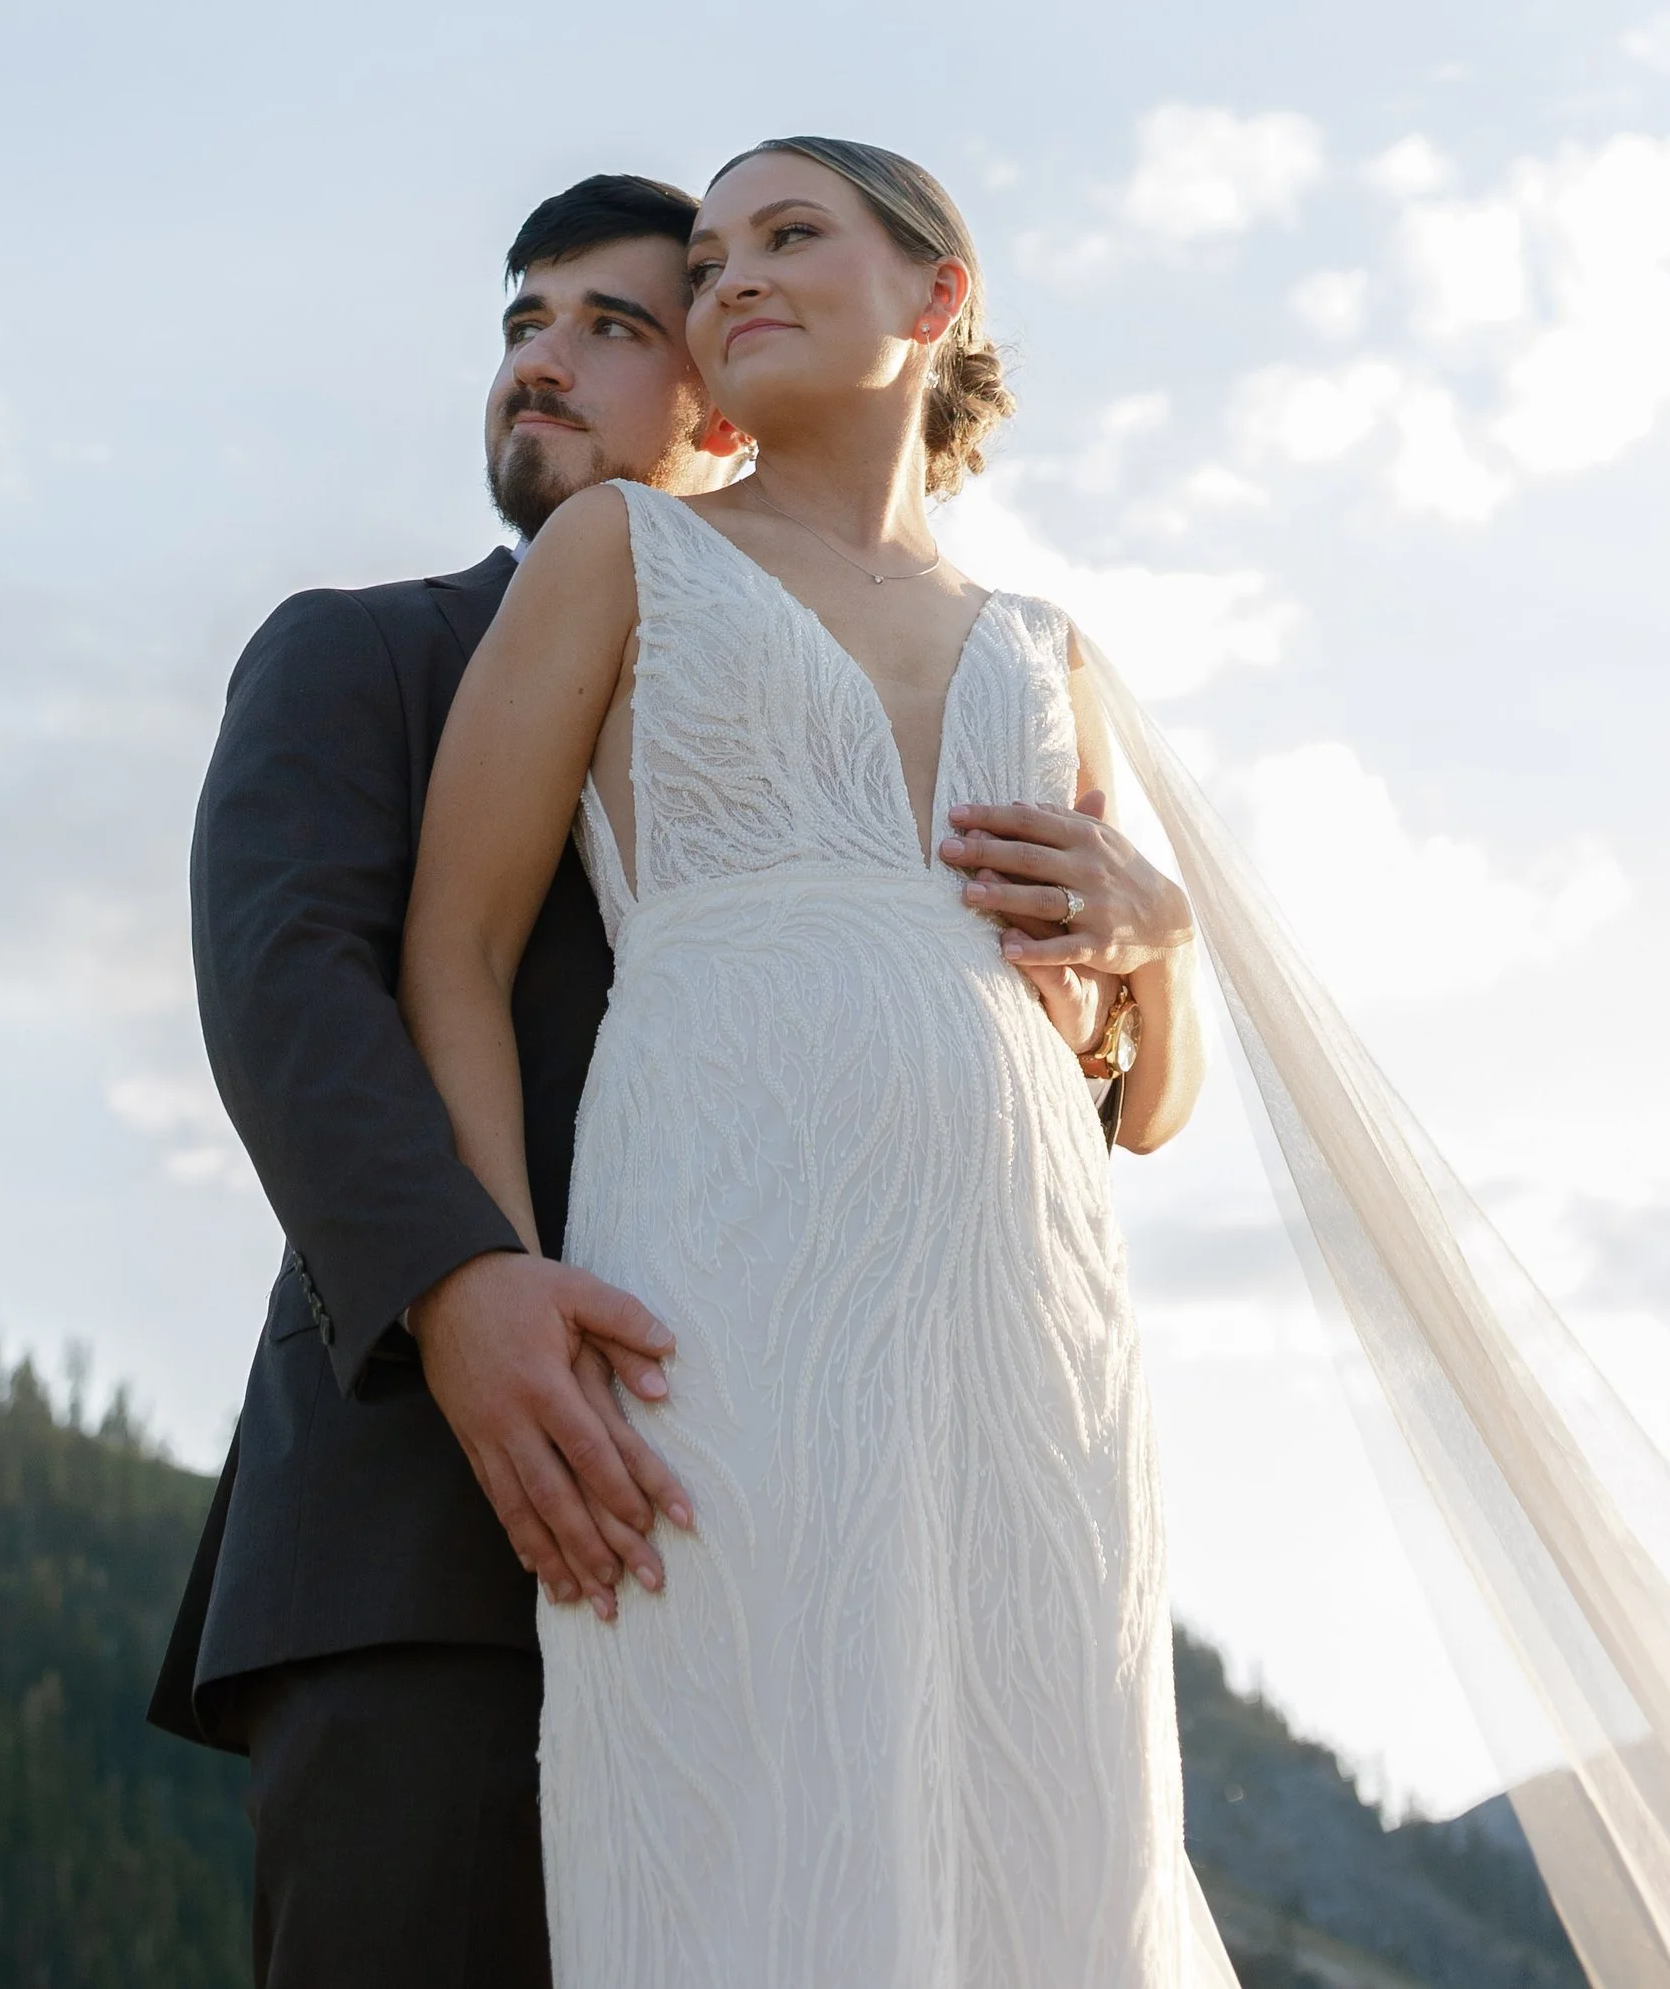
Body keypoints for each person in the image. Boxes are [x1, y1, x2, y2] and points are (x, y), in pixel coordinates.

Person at [149, 166, 1186, 1988]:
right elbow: (295, 994)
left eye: (611, 322)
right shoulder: (370, 649)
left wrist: (1134, 937)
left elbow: (1058, 1075)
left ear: (712, 390)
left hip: (843, 1484)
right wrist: (463, 1289)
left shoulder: (955, 647)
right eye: (519, 323)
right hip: (437, 1531)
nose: (540, 361)